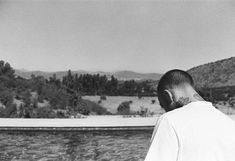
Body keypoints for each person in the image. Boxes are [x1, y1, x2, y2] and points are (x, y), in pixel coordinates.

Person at [144, 69, 235, 161]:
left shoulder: (169, 120)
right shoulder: (230, 124)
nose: (165, 110)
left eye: (163, 105)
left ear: (168, 96)